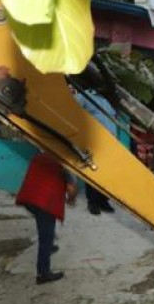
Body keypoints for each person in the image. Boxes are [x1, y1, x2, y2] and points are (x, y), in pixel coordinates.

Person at [15, 152, 76, 285]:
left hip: (28, 198)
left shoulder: (40, 155)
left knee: (44, 225)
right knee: (46, 236)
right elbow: (71, 188)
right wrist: (71, 200)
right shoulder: (65, 162)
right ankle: (43, 274)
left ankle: (49, 248)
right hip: (45, 201)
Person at [76, 87, 116, 214]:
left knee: (108, 174)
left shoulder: (109, 98)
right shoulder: (85, 95)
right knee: (94, 171)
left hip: (111, 142)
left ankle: (103, 201)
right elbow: (74, 111)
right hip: (94, 142)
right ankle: (92, 202)